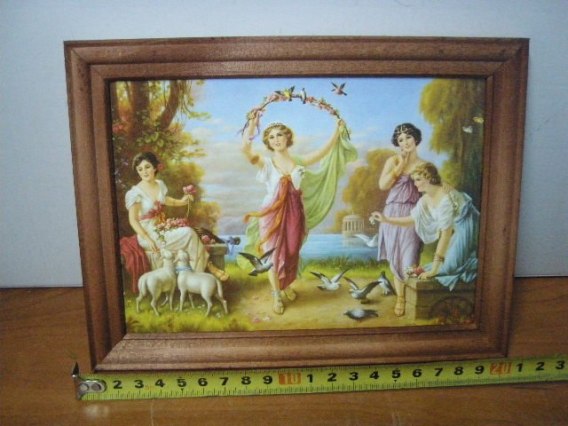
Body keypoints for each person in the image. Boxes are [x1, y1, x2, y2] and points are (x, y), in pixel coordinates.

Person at [241, 111, 355, 314]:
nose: (276, 139)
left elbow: (322, 152)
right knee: (273, 256)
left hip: (295, 213)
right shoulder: (266, 163)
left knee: (291, 252)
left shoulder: (298, 161)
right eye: (271, 137)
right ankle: (277, 295)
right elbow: (245, 149)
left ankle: (285, 285)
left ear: (288, 137)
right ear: (267, 142)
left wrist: (336, 132)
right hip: (272, 214)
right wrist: (252, 125)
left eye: (279, 135)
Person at [124, 152, 227, 287]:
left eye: (147, 167)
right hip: (147, 234)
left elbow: (166, 200)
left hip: (161, 229)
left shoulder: (159, 184)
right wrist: (147, 238)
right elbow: (133, 220)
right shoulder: (135, 193)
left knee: (189, 232)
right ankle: (203, 270)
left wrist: (182, 202)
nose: (144, 172)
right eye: (140, 169)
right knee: (188, 233)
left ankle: (195, 274)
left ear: (155, 167)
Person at [371, 162, 480, 291]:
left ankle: (473, 263)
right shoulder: (425, 199)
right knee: (447, 263)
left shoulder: (444, 198)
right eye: (414, 180)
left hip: (470, 225)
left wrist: (434, 270)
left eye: (418, 179)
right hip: (458, 229)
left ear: (429, 178)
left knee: (449, 267)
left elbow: (445, 235)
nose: (415, 183)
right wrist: (386, 219)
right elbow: (412, 219)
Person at [375, 123, 425, 316]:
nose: (405, 142)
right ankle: (401, 298)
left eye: (408, 137)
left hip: (412, 213)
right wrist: (401, 166)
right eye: (401, 139)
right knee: (395, 257)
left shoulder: (424, 165)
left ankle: (411, 294)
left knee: (410, 257)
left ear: (416, 138)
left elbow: (430, 190)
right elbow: (383, 185)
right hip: (392, 212)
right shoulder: (393, 160)